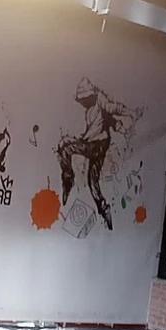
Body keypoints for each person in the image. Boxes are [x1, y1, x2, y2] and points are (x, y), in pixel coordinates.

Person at [57, 77, 143, 230]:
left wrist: (131, 113)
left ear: (90, 95)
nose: (82, 103)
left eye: (84, 99)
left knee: (65, 147)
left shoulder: (100, 101)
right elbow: (107, 122)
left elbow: (114, 108)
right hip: (96, 145)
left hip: (96, 145)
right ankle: (104, 210)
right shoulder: (92, 110)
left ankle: (68, 180)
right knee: (93, 181)